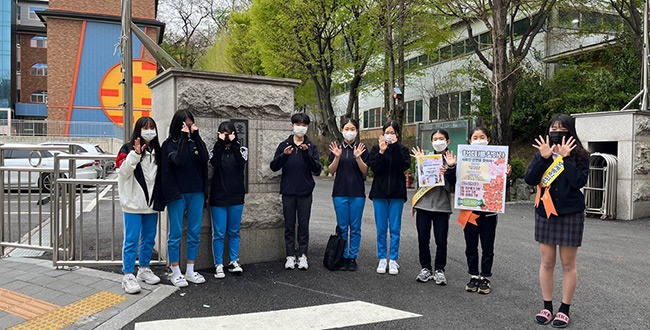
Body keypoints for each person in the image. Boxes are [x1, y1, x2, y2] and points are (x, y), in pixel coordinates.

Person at [524, 114, 589, 328]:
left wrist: (566, 158)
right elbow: (530, 180)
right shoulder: (542, 153)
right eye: (553, 127)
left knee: (568, 264)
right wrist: (543, 158)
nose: (557, 131)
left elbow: (579, 181)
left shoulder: (580, 155)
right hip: (546, 214)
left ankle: (564, 309)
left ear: (570, 131)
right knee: (547, 262)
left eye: (562, 128)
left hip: (571, 213)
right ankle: (547, 306)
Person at [158, 109, 209, 287]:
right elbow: (178, 161)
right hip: (177, 193)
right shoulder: (169, 145)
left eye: (190, 124)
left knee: (194, 232)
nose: (188, 128)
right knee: (176, 233)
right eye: (184, 125)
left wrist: (196, 137)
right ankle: (175, 271)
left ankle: (190, 270)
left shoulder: (195, 142)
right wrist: (182, 139)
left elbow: (205, 158)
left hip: (197, 192)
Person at [461, 127, 511, 294]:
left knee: (487, 246)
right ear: (470, 141)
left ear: (489, 139)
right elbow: (456, 181)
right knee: (470, 245)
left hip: (489, 211)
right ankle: (473, 275)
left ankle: (485, 277)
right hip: (469, 211)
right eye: (475, 137)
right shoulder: (464, 159)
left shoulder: (497, 160)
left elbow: (502, 185)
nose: (479, 139)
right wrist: (453, 168)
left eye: (482, 137)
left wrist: (506, 175)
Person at [270, 113, 321, 270]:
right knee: (290, 225)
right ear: (292, 125)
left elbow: (317, 170)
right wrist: (284, 156)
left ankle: (303, 255)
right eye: (298, 124)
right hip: (288, 191)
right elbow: (274, 166)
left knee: (303, 225)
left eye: (304, 125)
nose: (301, 127)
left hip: (305, 192)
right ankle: (290, 255)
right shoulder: (284, 145)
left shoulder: (311, 147)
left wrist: (306, 155)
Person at [117, 116, 162, 294]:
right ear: (138, 130)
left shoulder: (157, 150)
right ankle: (128, 275)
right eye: (145, 128)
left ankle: (144, 269)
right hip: (132, 204)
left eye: (152, 127)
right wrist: (135, 154)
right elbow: (122, 171)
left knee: (149, 239)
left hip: (151, 205)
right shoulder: (127, 149)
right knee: (131, 240)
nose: (149, 131)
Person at [410, 129, 457, 285]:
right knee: (423, 239)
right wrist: (420, 164)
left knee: (441, 240)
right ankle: (425, 268)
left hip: (442, 206)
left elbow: (454, 187)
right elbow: (418, 183)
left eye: (441, 138)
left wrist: (448, 171)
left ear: (448, 141)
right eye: (435, 139)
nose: (438, 141)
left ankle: (439, 269)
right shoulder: (426, 157)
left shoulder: (453, 160)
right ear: (431, 142)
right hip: (424, 205)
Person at [368, 121, 410, 275]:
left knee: (394, 228)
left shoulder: (403, 149)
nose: (390, 135)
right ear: (383, 133)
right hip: (379, 193)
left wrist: (396, 146)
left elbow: (403, 166)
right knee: (381, 228)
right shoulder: (375, 149)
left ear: (397, 134)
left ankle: (393, 259)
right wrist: (381, 151)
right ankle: (382, 258)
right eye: (387, 132)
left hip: (397, 194)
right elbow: (374, 168)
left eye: (393, 132)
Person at [327, 118, 369, 271]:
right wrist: (337, 156)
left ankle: (353, 257)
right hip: (340, 193)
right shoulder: (337, 148)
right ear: (342, 130)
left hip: (357, 193)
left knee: (355, 227)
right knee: (343, 227)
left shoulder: (362, 148)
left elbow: (365, 171)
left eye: (352, 129)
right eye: (347, 128)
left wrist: (358, 157)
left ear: (357, 131)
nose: (349, 132)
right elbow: (331, 170)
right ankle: (343, 256)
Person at [209, 121, 248, 279]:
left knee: (234, 231)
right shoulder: (215, 150)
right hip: (218, 197)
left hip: (236, 197)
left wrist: (234, 143)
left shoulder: (242, 149)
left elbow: (241, 162)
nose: (226, 135)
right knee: (218, 233)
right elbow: (215, 162)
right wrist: (220, 143)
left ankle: (233, 261)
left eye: (229, 132)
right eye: (223, 132)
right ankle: (218, 264)